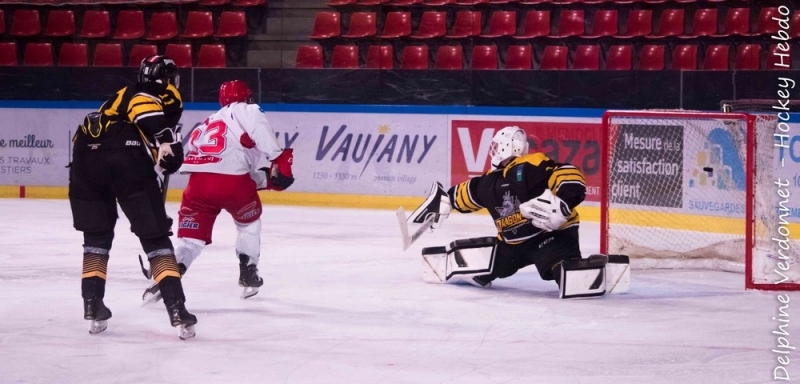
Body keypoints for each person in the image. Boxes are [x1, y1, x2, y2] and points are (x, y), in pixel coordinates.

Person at [409, 126, 628, 298]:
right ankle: (454, 263)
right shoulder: (487, 182)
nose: (493, 151)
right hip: (513, 245)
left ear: (505, 147)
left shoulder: (529, 166)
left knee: (563, 271)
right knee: (482, 266)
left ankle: (597, 274)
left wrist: (563, 201)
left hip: (550, 237)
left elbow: (565, 172)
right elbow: (462, 195)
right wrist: (442, 203)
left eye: (496, 146)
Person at [69, 55, 197, 338]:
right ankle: (177, 309)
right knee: (155, 240)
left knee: (96, 240)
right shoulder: (146, 93)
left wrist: (162, 148)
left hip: (83, 161)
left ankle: (92, 304)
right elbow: (144, 110)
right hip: (123, 158)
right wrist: (166, 141)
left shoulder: (114, 99)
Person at [141, 79, 294, 304]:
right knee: (248, 224)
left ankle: (164, 278)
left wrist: (266, 180)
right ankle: (248, 270)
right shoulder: (247, 109)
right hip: (234, 185)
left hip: (197, 186)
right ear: (247, 96)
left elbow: (218, 165)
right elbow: (257, 137)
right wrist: (280, 160)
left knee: (190, 241)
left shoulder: (207, 122)